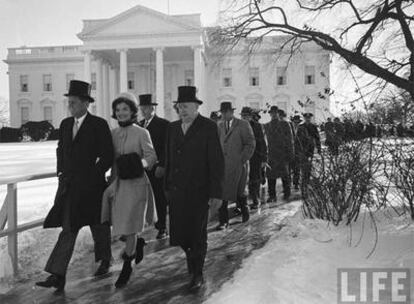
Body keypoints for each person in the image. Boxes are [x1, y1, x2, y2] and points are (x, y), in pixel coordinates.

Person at [36, 80, 114, 292]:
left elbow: (108, 155)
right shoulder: (65, 124)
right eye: (69, 102)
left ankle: (104, 260)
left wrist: (94, 174)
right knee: (68, 229)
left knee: (99, 227)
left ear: (85, 103)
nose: (69, 105)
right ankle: (57, 274)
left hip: (93, 188)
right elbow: (61, 149)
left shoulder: (99, 124)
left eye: (73, 102)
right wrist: (60, 171)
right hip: (70, 188)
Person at [164, 86, 224, 290]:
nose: (182, 110)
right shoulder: (172, 128)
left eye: (186, 106)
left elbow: (216, 161)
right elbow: (168, 159)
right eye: (179, 107)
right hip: (177, 191)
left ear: (196, 106)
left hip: (200, 191)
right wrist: (167, 187)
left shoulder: (207, 127)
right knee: (180, 234)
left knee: (198, 234)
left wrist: (216, 193)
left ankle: (197, 273)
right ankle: (191, 255)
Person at [101, 93, 157, 288]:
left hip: (136, 184)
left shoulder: (142, 133)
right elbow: (107, 158)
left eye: (125, 109)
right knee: (122, 225)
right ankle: (137, 244)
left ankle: (127, 264)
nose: (121, 113)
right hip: (118, 184)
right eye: (118, 110)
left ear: (132, 111)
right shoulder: (112, 134)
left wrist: (136, 164)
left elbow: (151, 158)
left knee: (131, 225)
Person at [217, 102, 255, 230]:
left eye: (225, 112)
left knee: (240, 192)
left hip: (239, 165)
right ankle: (223, 221)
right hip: (223, 166)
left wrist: (242, 159)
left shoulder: (243, 124)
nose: (223, 115)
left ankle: (245, 212)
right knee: (222, 193)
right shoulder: (220, 125)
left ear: (231, 112)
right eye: (221, 112)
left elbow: (250, 143)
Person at [138, 94, 170, 240]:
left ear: (152, 108)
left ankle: (162, 227)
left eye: (146, 108)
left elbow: (166, 147)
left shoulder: (163, 124)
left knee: (159, 198)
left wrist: (162, 165)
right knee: (142, 198)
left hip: (156, 169)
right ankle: (141, 228)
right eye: (142, 108)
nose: (143, 111)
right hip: (142, 170)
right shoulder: (139, 125)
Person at [264, 106, 294, 202]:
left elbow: (290, 140)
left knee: (285, 175)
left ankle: (287, 193)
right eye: (271, 113)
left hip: (282, 155)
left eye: (275, 113)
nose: (273, 114)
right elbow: (265, 141)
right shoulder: (267, 125)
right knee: (270, 176)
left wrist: (290, 155)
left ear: (278, 113)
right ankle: (272, 196)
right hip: (272, 155)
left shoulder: (285, 124)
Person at [240, 106, 267, 209]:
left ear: (251, 116)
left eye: (246, 116)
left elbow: (263, 144)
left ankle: (256, 200)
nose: (244, 118)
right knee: (241, 180)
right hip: (242, 157)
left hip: (255, 157)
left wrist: (264, 159)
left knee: (255, 179)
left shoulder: (258, 126)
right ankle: (241, 204)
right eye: (243, 116)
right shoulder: (238, 126)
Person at [291, 115, 311, 191]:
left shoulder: (303, 129)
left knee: (298, 168)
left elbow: (307, 140)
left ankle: (298, 183)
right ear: (293, 122)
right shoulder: (289, 128)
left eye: (297, 122)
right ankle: (294, 182)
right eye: (295, 122)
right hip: (291, 152)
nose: (296, 123)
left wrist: (305, 150)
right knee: (293, 168)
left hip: (300, 151)